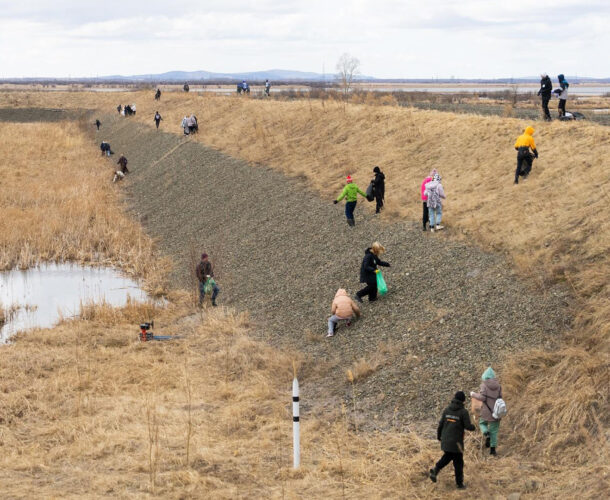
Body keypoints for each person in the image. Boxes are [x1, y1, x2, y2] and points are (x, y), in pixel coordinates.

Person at [429, 391, 476, 490]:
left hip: (445, 440)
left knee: (448, 456)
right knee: (458, 463)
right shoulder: (463, 412)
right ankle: (459, 484)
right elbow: (468, 426)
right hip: (456, 442)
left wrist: (438, 436)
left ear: (454, 398)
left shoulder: (447, 410)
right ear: (463, 401)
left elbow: (440, 424)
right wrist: (474, 427)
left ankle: (436, 469)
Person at [471, 367, 502, 456]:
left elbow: (482, 397)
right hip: (497, 412)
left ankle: (486, 433)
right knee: (494, 431)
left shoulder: (484, 385)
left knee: (482, 423)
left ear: (485, 377)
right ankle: (493, 451)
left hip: (486, 411)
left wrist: (473, 394)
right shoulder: (499, 386)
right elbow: (500, 397)